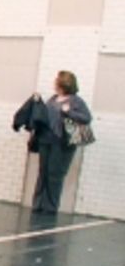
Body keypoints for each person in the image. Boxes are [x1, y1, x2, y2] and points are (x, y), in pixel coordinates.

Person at [31, 70, 92, 214]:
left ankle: (51, 206)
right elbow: (45, 115)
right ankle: (38, 204)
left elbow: (86, 118)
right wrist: (38, 102)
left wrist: (69, 111)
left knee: (55, 174)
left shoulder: (76, 101)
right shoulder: (53, 98)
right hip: (46, 139)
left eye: (57, 80)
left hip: (62, 142)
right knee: (43, 172)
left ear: (63, 83)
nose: (54, 82)